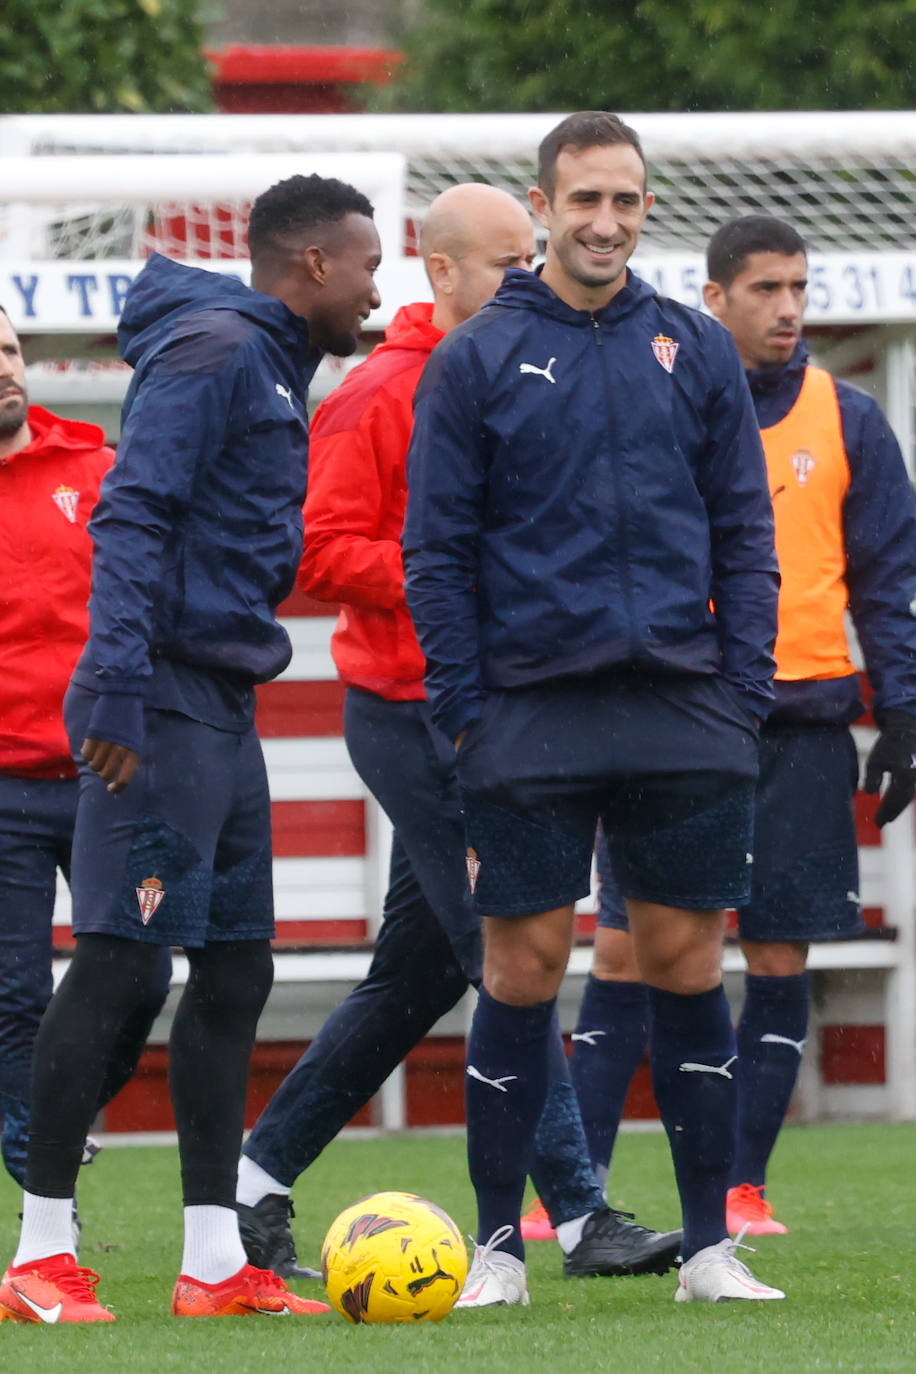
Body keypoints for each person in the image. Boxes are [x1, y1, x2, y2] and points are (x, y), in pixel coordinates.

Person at [235, 182, 681, 1286]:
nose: (526, 283)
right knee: (509, 952)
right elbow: (317, 549)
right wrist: (455, 581)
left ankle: (256, 1177)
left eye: (531, 263)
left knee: (418, 976)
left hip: (494, 715)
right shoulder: (382, 392)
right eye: (503, 267)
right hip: (409, 717)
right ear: (439, 273)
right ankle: (578, 1218)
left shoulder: (526, 371)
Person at [403, 111, 786, 1307]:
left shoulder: (694, 345)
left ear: (646, 207)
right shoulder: (472, 357)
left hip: (684, 709)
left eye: (624, 201)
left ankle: (707, 1252)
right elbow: (435, 554)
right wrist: (467, 713)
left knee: (684, 962)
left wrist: (743, 694)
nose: (605, 223)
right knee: (523, 970)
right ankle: (496, 1254)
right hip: (526, 715)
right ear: (546, 206)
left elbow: (745, 529)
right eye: (584, 202)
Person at [0, 173, 382, 1325]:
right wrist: (114, 682)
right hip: (159, 700)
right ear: (312, 264)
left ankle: (214, 1263)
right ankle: (39, 1258)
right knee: (120, 961)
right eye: (367, 264)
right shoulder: (216, 351)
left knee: (235, 969)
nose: (378, 287)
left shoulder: (267, 360)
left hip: (225, 701)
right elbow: (135, 513)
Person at [568, 214, 916, 1236]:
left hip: (804, 724)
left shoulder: (848, 419)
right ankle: (579, 1189)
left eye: (799, 288)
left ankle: (738, 1188)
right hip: (675, 718)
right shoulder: (661, 408)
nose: (788, 309)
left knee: (776, 956)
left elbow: (888, 578)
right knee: (628, 951)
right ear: (713, 299)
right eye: (765, 289)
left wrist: (900, 708)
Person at [0, 308, 171, 1231]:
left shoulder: (96, 470)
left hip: (103, 773)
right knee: (13, 993)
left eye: (10, 350)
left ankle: (52, 1116)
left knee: (142, 973)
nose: (4, 368)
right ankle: (44, 1211)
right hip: (0, 790)